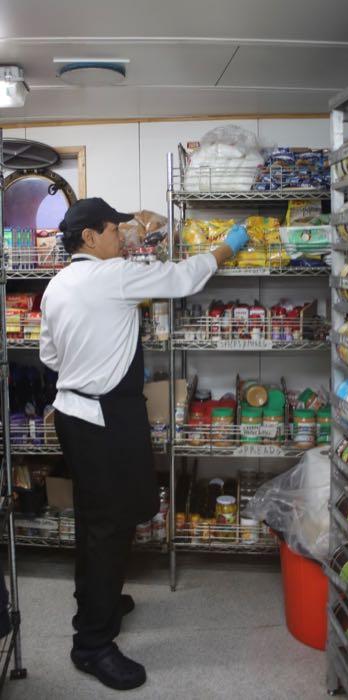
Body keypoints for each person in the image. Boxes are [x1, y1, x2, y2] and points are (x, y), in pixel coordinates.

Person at [39, 197, 248, 691]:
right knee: (109, 526)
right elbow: (180, 279)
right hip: (103, 416)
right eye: (114, 230)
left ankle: (99, 601)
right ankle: (91, 644)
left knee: (97, 518)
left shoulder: (57, 284)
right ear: (90, 237)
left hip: (75, 410)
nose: (122, 237)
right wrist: (225, 249)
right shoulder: (110, 276)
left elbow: (50, 354)